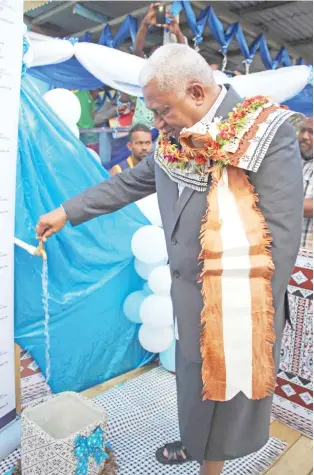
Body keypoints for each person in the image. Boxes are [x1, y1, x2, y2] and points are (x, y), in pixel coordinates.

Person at [36, 44, 303, 475]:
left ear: (197, 92)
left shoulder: (266, 134)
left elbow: (281, 234)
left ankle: (209, 464)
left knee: (224, 392)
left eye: (161, 112)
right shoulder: (176, 139)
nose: (157, 125)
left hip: (234, 300)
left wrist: (235, 305)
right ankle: (196, 441)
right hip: (186, 295)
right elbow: (129, 184)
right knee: (195, 386)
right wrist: (67, 212)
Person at [298, 117, 313, 250]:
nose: (304, 136)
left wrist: (275, 204)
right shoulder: (290, 162)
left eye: (311, 132)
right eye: (302, 130)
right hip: (289, 252)